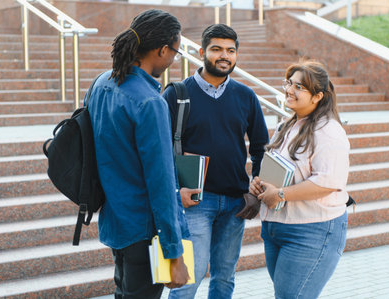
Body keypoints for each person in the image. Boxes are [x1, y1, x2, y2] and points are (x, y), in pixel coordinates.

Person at [87, 9, 190, 298]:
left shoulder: (101, 83)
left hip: (116, 221)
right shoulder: (150, 102)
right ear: (161, 50)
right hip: (144, 232)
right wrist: (174, 253)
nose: (173, 60)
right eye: (175, 52)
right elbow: (161, 183)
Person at [162, 24, 269, 299]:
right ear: (201, 52)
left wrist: (254, 189)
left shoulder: (246, 96)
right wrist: (176, 190)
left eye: (231, 51)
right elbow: (159, 150)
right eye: (217, 49)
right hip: (195, 201)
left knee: (224, 278)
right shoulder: (177, 94)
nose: (225, 56)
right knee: (188, 280)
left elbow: (260, 148)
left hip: (235, 202)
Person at [249, 60, 350, 299]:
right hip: (276, 227)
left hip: (311, 230)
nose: (289, 90)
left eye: (299, 87)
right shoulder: (287, 124)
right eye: (289, 83)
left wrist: (281, 194)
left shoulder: (328, 130)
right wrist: (259, 182)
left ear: (317, 96)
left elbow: (328, 181)